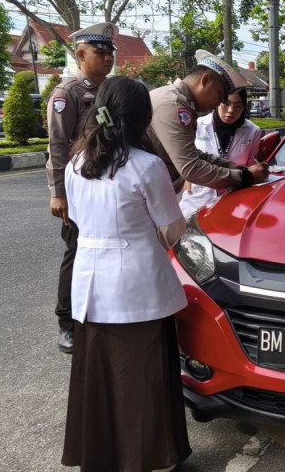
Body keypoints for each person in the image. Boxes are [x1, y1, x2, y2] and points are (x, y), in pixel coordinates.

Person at [61, 76, 190, 472]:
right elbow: (173, 230)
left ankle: (102, 458)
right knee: (143, 377)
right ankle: (147, 460)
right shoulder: (147, 166)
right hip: (138, 287)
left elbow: (79, 221)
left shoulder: (76, 164)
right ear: (141, 117)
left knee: (99, 378)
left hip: (90, 287)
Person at [46, 22, 118, 354]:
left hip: (106, 186)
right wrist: (58, 192)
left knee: (102, 251)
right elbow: (58, 147)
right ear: (81, 54)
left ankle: (95, 315)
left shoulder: (107, 91)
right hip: (77, 190)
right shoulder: (67, 94)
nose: (107, 59)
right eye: (99, 53)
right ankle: (67, 323)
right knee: (75, 253)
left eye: (109, 53)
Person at [148, 49, 269, 194]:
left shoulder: (174, 99)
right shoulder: (174, 106)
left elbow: (192, 153)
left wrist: (236, 168)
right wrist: (246, 177)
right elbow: (191, 168)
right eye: (220, 95)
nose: (219, 103)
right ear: (205, 81)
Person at [178, 87, 263, 218]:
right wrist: (185, 175)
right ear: (218, 102)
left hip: (235, 198)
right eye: (226, 103)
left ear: (244, 107)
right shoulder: (198, 125)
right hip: (198, 196)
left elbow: (251, 164)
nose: (231, 111)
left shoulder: (253, 131)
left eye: (237, 106)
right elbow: (185, 156)